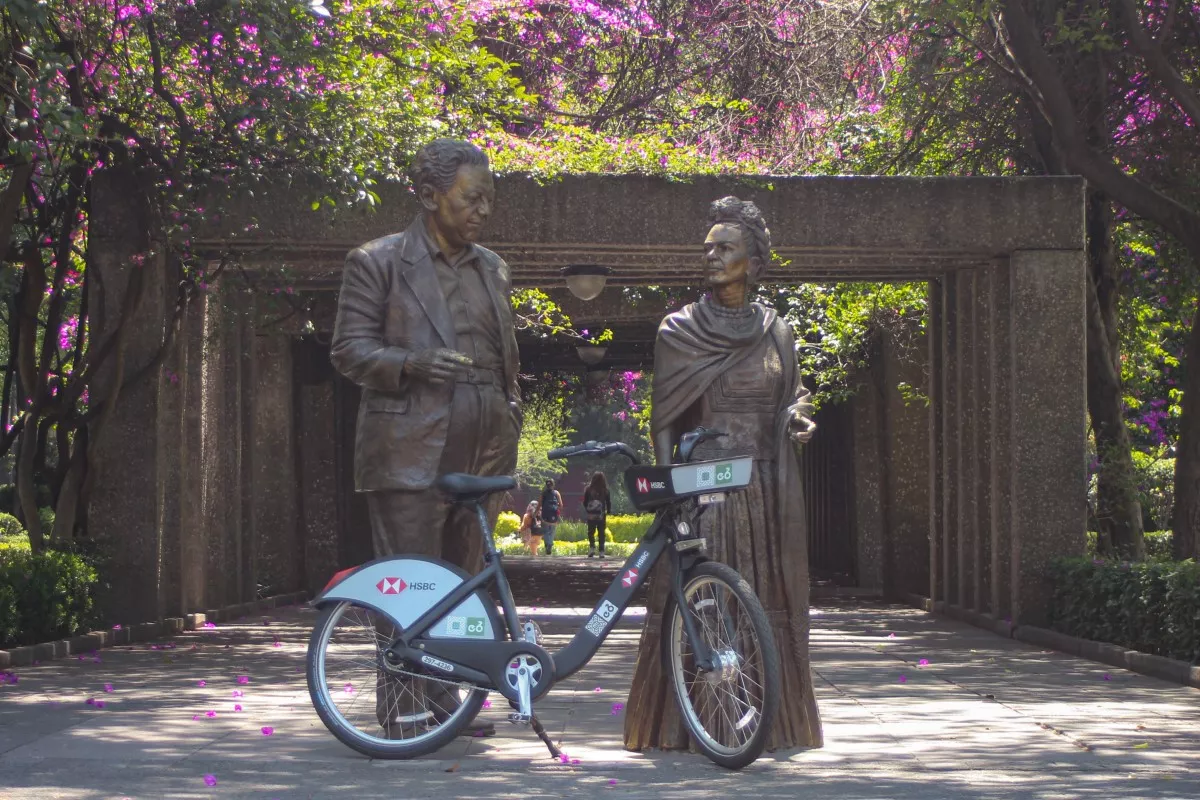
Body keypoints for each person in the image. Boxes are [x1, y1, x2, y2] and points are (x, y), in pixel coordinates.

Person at [330, 138, 522, 740]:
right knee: (410, 578)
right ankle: (403, 702)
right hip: (409, 443)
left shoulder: (492, 266)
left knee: (464, 579)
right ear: (429, 195)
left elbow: (503, 354)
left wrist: (509, 412)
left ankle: (449, 700)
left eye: (489, 200)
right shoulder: (378, 261)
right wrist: (410, 361)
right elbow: (348, 350)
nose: (482, 211)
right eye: (471, 199)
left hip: (484, 438)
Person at [623, 196, 822, 752]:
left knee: (762, 599)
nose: (712, 256)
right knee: (705, 602)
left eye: (725, 247)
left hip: (763, 489)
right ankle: (693, 725)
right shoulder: (678, 330)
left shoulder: (777, 330)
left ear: (754, 262)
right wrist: (668, 490)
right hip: (706, 494)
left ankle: (773, 721)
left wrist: (800, 418)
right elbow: (663, 418)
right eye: (708, 247)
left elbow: (794, 397)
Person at [582, 472, 612, 558]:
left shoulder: (588, 489)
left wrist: (588, 510)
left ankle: (592, 548)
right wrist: (608, 511)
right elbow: (608, 502)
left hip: (591, 514)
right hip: (601, 514)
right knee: (601, 532)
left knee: (591, 532)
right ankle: (601, 551)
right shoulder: (605, 490)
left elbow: (585, 502)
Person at [538, 478, 562, 555]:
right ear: (553, 485)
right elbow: (561, 504)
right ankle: (550, 545)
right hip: (554, 514)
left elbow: (539, 504)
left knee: (545, 531)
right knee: (552, 530)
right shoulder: (556, 493)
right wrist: (557, 510)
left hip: (545, 514)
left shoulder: (543, 493)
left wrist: (535, 513)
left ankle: (547, 545)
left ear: (546, 485)